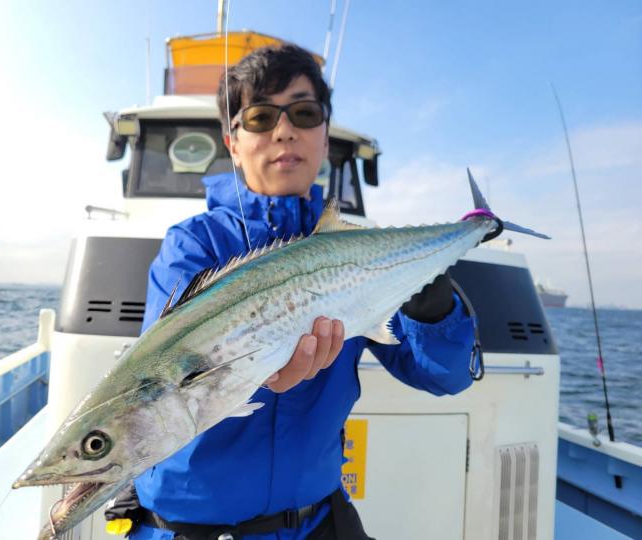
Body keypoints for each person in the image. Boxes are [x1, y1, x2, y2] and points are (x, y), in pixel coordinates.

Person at [117, 44, 476, 540]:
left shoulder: (360, 250)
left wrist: (433, 309)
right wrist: (262, 371)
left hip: (318, 522)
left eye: (304, 114)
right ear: (233, 142)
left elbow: (443, 377)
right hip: (189, 529)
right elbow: (171, 377)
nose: (284, 131)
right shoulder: (194, 246)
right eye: (261, 117)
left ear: (325, 135)